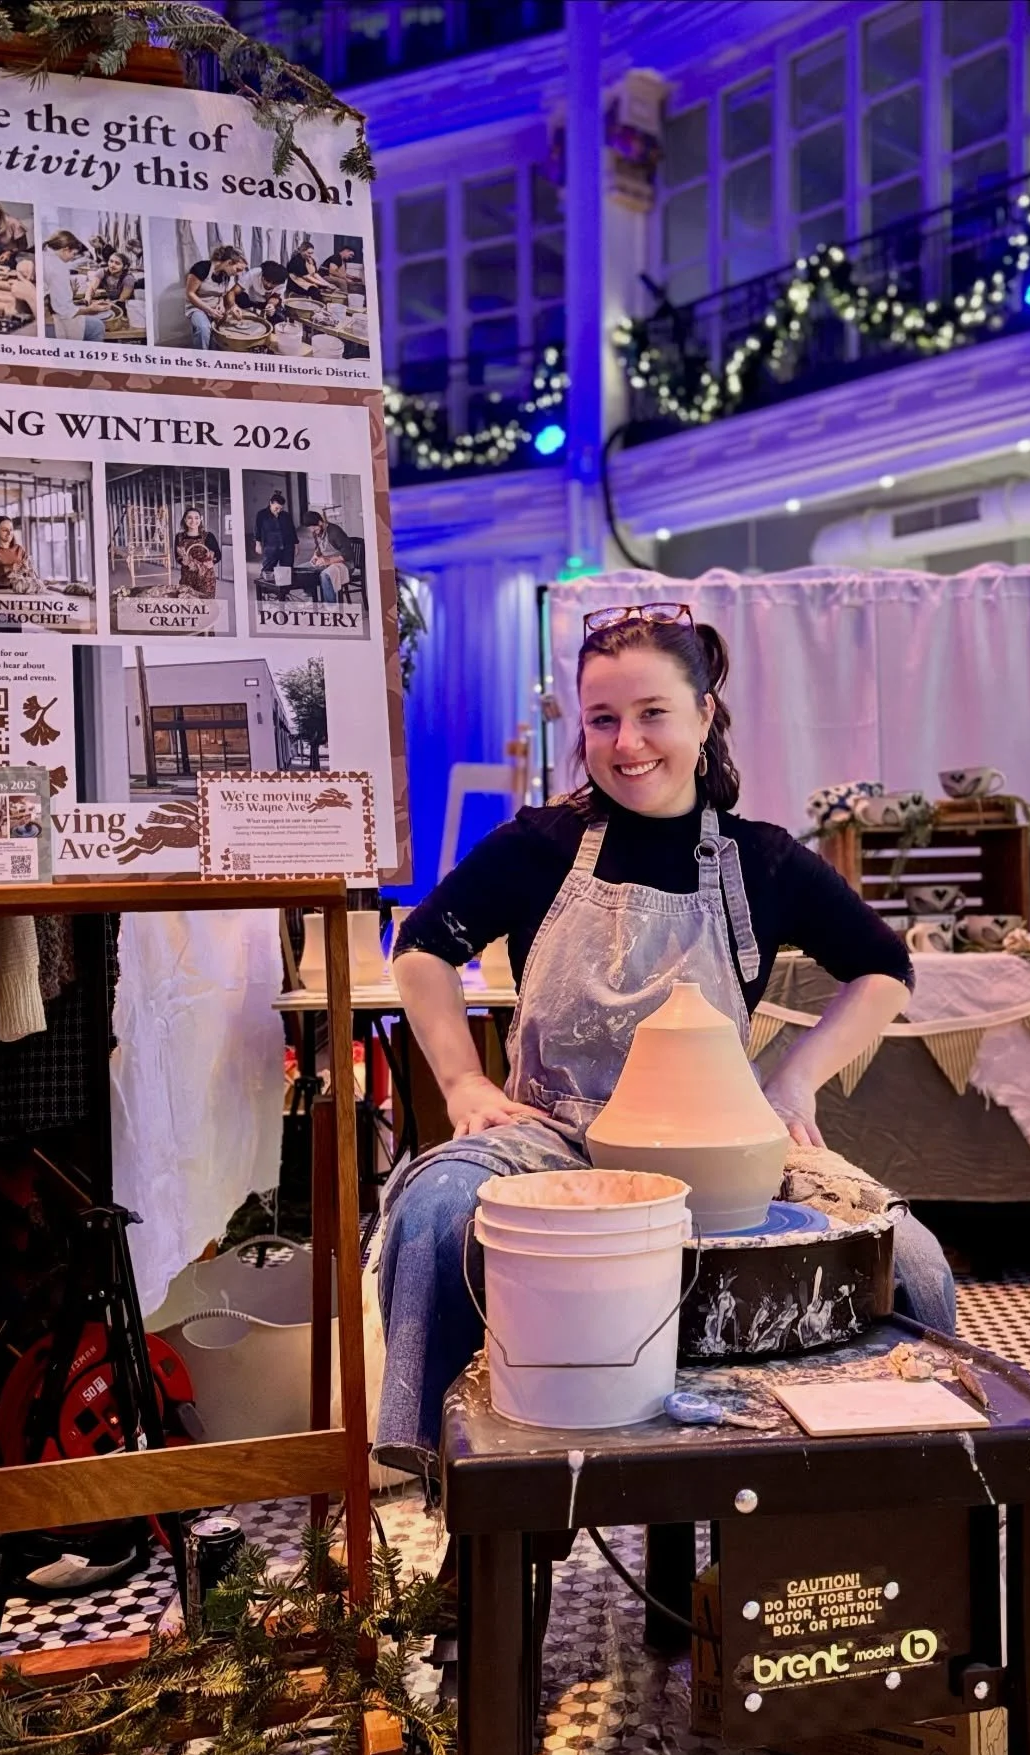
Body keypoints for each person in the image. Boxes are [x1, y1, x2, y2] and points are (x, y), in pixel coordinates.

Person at [376, 604, 956, 1480]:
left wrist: (795, 1084)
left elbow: (883, 969)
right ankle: (459, 1494)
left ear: (704, 716)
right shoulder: (541, 846)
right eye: (603, 719)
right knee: (436, 1216)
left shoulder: (760, 861)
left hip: (716, 1150)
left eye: (653, 714)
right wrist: (461, 1083)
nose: (626, 742)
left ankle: (883, 1509)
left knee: (908, 1257)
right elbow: (421, 948)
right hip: (556, 1137)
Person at [42, 231, 109, 341]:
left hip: (44, 310)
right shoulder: (58, 266)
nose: (71, 259)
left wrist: (69, 293)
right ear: (66, 249)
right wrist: (89, 310)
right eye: (73, 254)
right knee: (97, 326)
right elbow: (65, 311)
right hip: (45, 320)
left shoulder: (45, 254)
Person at [183, 243, 246, 349]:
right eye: (238, 269)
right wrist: (209, 310)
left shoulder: (226, 275)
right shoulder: (201, 268)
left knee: (223, 333)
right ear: (229, 262)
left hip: (214, 309)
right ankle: (200, 360)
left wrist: (222, 305)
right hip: (197, 308)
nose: (238, 274)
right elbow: (190, 294)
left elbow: (221, 294)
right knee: (203, 328)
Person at [294, 510, 356, 602]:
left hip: (344, 563)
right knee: (300, 569)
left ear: (320, 522)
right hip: (327, 562)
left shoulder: (335, 532)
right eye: (311, 529)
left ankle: (331, 608)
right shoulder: (316, 532)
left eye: (315, 528)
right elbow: (319, 548)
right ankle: (313, 598)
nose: (313, 531)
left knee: (325, 575)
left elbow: (349, 554)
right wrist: (315, 556)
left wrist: (328, 561)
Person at [253, 489, 296, 595]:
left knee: (286, 569)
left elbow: (292, 530)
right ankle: (266, 593)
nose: (278, 511)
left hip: (287, 546)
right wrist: (257, 544)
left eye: (281, 508)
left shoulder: (286, 515)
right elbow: (257, 529)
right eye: (276, 508)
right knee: (268, 569)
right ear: (270, 503)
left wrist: (296, 544)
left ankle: (284, 593)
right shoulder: (262, 514)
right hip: (270, 546)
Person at [174, 507, 220, 597]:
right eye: (189, 517)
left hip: (205, 578)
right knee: (188, 603)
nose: (193, 521)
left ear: (201, 519)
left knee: (205, 604)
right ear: (185, 519)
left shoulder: (208, 536)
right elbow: (177, 556)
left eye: (196, 518)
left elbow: (218, 554)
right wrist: (183, 561)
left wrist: (212, 562)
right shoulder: (179, 537)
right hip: (187, 576)